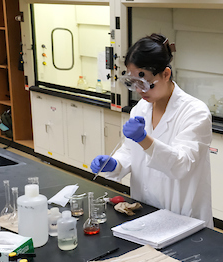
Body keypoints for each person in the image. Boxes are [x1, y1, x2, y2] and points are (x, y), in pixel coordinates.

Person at [90, 34, 213, 228]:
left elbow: (181, 165)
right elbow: (130, 151)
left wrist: (143, 138)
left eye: (145, 83)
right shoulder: (141, 108)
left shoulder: (195, 112)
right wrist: (115, 164)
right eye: (134, 83)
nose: (139, 90)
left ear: (165, 74)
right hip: (144, 210)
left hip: (182, 217)